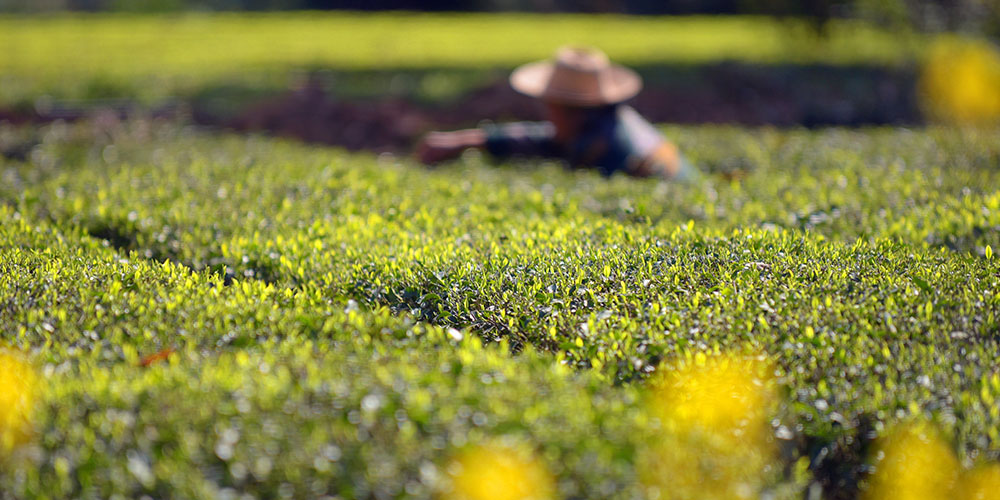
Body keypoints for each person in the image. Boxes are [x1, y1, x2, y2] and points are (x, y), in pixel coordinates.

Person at [416, 46, 697, 181]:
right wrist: (468, 140)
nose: (546, 115)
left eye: (550, 106)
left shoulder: (611, 149)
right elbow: (542, 139)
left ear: (571, 111)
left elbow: (549, 145)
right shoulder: (601, 123)